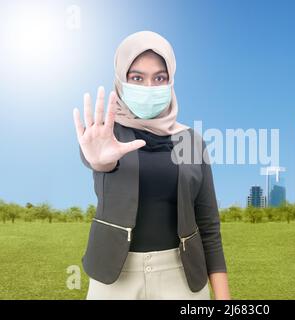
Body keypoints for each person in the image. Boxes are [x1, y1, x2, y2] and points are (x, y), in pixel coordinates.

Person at [72, 30, 230, 300]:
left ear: (171, 81)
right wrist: (98, 161)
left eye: (159, 78)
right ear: (121, 79)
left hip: (182, 277)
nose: (149, 88)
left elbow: (209, 225)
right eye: (136, 78)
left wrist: (224, 299)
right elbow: (96, 159)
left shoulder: (192, 142)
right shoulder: (104, 135)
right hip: (114, 279)